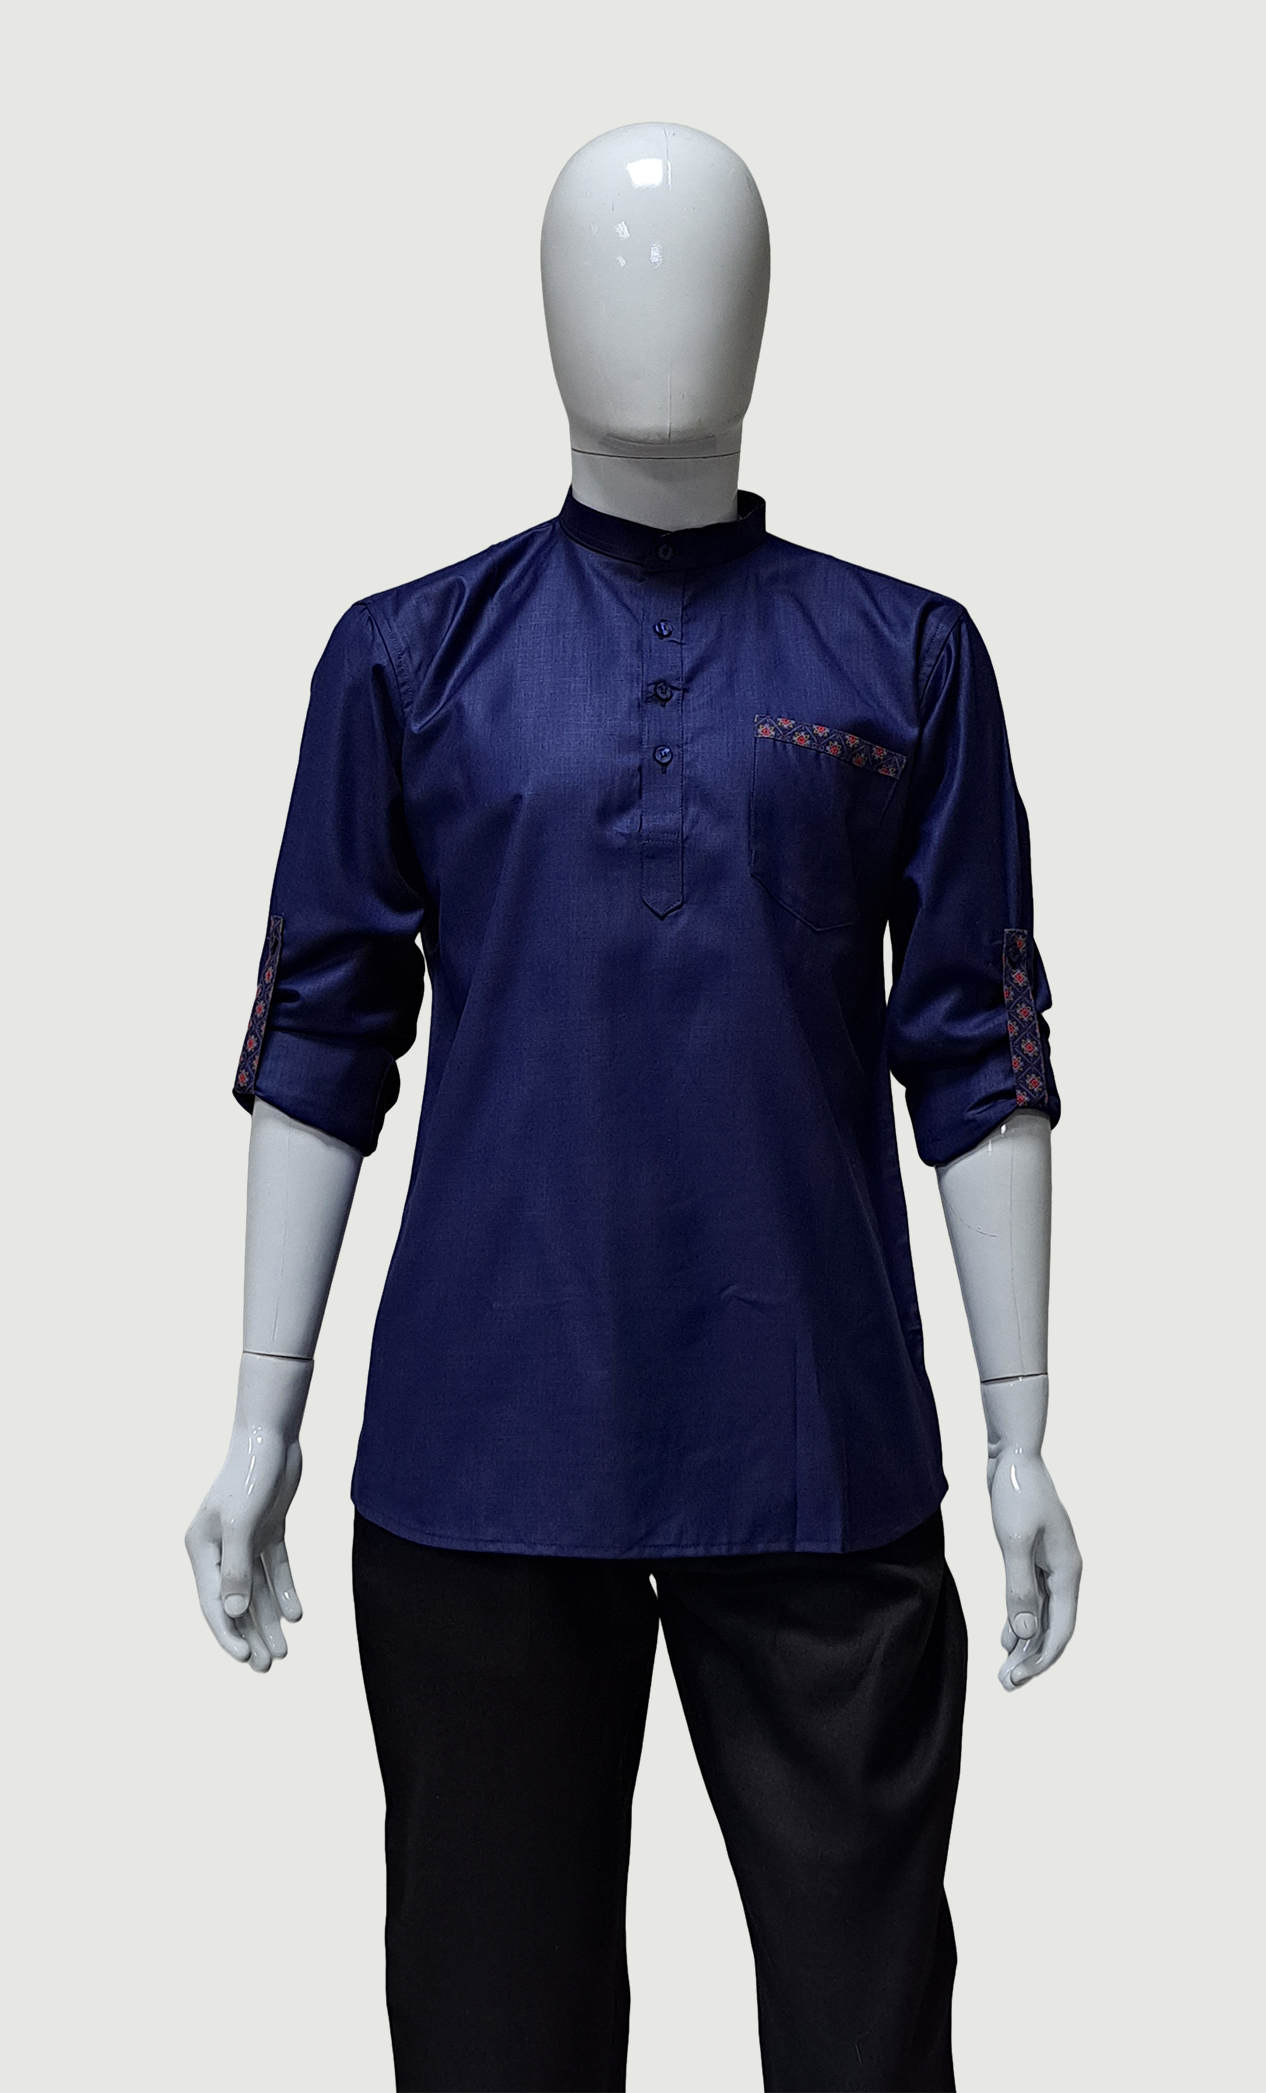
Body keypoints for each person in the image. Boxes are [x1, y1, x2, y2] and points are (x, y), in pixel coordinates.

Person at [187, 122, 1082, 2093]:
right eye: (607, 261)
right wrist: (261, 1414)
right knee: (493, 2041)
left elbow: (975, 1040)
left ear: (764, 313)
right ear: (541, 311)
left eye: (700, 266)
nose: (653, 306)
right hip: (485, 1461)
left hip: (818, 1454)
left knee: (866, 2036)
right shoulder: (409, 659)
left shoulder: (906, 658)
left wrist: (1020, 1432)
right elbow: (323, 1034)